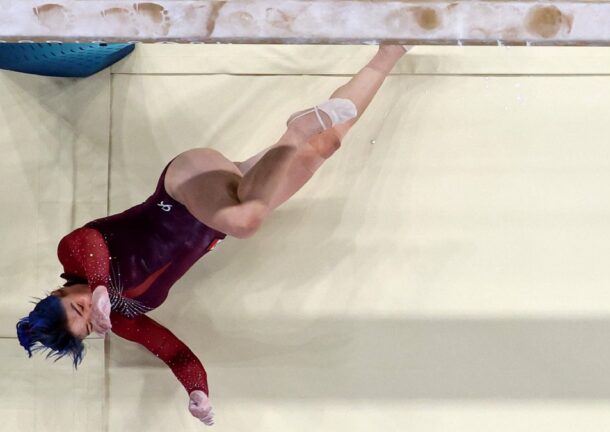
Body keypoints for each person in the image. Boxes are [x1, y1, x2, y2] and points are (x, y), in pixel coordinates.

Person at [16, 45, 409, 426]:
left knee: (246, 220)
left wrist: (100, 286)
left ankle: (295, 130)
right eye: (87, 324)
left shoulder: (71, 255)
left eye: (78, 307)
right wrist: (197, 393)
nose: (92, 311)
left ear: (60, 293)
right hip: (220, 212)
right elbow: (175, 354)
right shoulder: (126, 320)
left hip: (183, 186)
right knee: (325, 144)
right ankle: (389, 53)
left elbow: (92, 243)